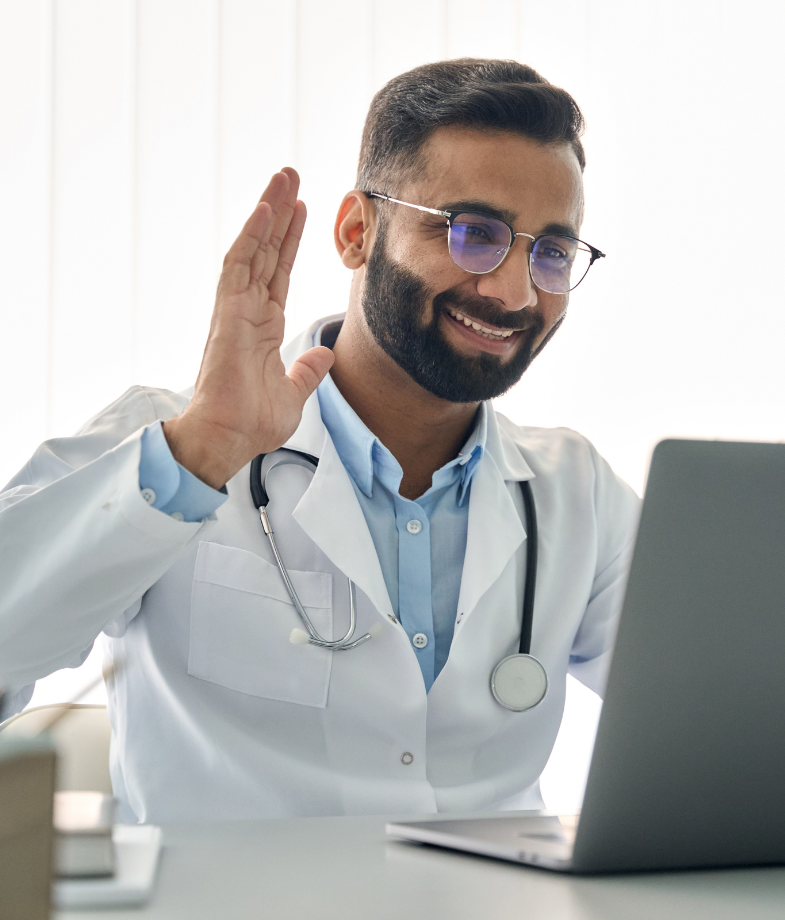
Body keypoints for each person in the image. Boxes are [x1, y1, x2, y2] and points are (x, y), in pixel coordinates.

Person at [0, 59, 639, 823]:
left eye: (552, 253)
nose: (513, 291)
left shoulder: (574, 492)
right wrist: (200, 456)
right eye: (474, 234)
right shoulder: (176, 441)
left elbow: (728, 701)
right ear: (357, 231)